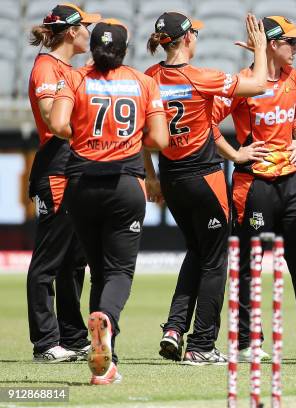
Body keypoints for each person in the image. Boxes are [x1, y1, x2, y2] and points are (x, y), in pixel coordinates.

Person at [144, 12, 270, 365]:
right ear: (186, 39)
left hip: (170, 177)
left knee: (198, 253)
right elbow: (259, 85)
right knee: (216, 261)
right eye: (194, 33)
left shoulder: (150, 78)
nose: (196, 38)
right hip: (204, 179)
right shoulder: (202, 77)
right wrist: (260, 49)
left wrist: (151, 176)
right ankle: (201, 344)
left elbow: (146, 134)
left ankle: (173, 328)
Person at [49, 19, 169, 384]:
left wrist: (85, 134)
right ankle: (107, 323)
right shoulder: (143, 82)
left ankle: (106, 363)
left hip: (81, 184)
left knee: (97, 270)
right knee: (119, 272)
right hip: (124, 184)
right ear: (124, 49)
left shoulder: (75, 78)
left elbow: (57, 124)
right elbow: (160, 140)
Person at [212, 16, 296, 362]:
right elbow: (206, 121)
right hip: (254, 184)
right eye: (291, 42)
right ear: (272, 46)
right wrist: (236, 154)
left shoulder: (294, 77)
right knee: (251, 265)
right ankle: (250, 342)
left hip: (292, 181)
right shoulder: (246, 82)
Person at [26, 3, 101, 363]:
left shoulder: (68, 68)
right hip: (56, 170)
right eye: (84, 27)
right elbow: (51, 119)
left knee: (74, 260)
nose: (90, 33)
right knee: (48, 262)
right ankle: (45, 342)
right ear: (71, 32)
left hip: (75, 169)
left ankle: (71, 337)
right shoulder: (46, 67)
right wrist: (93, 134)